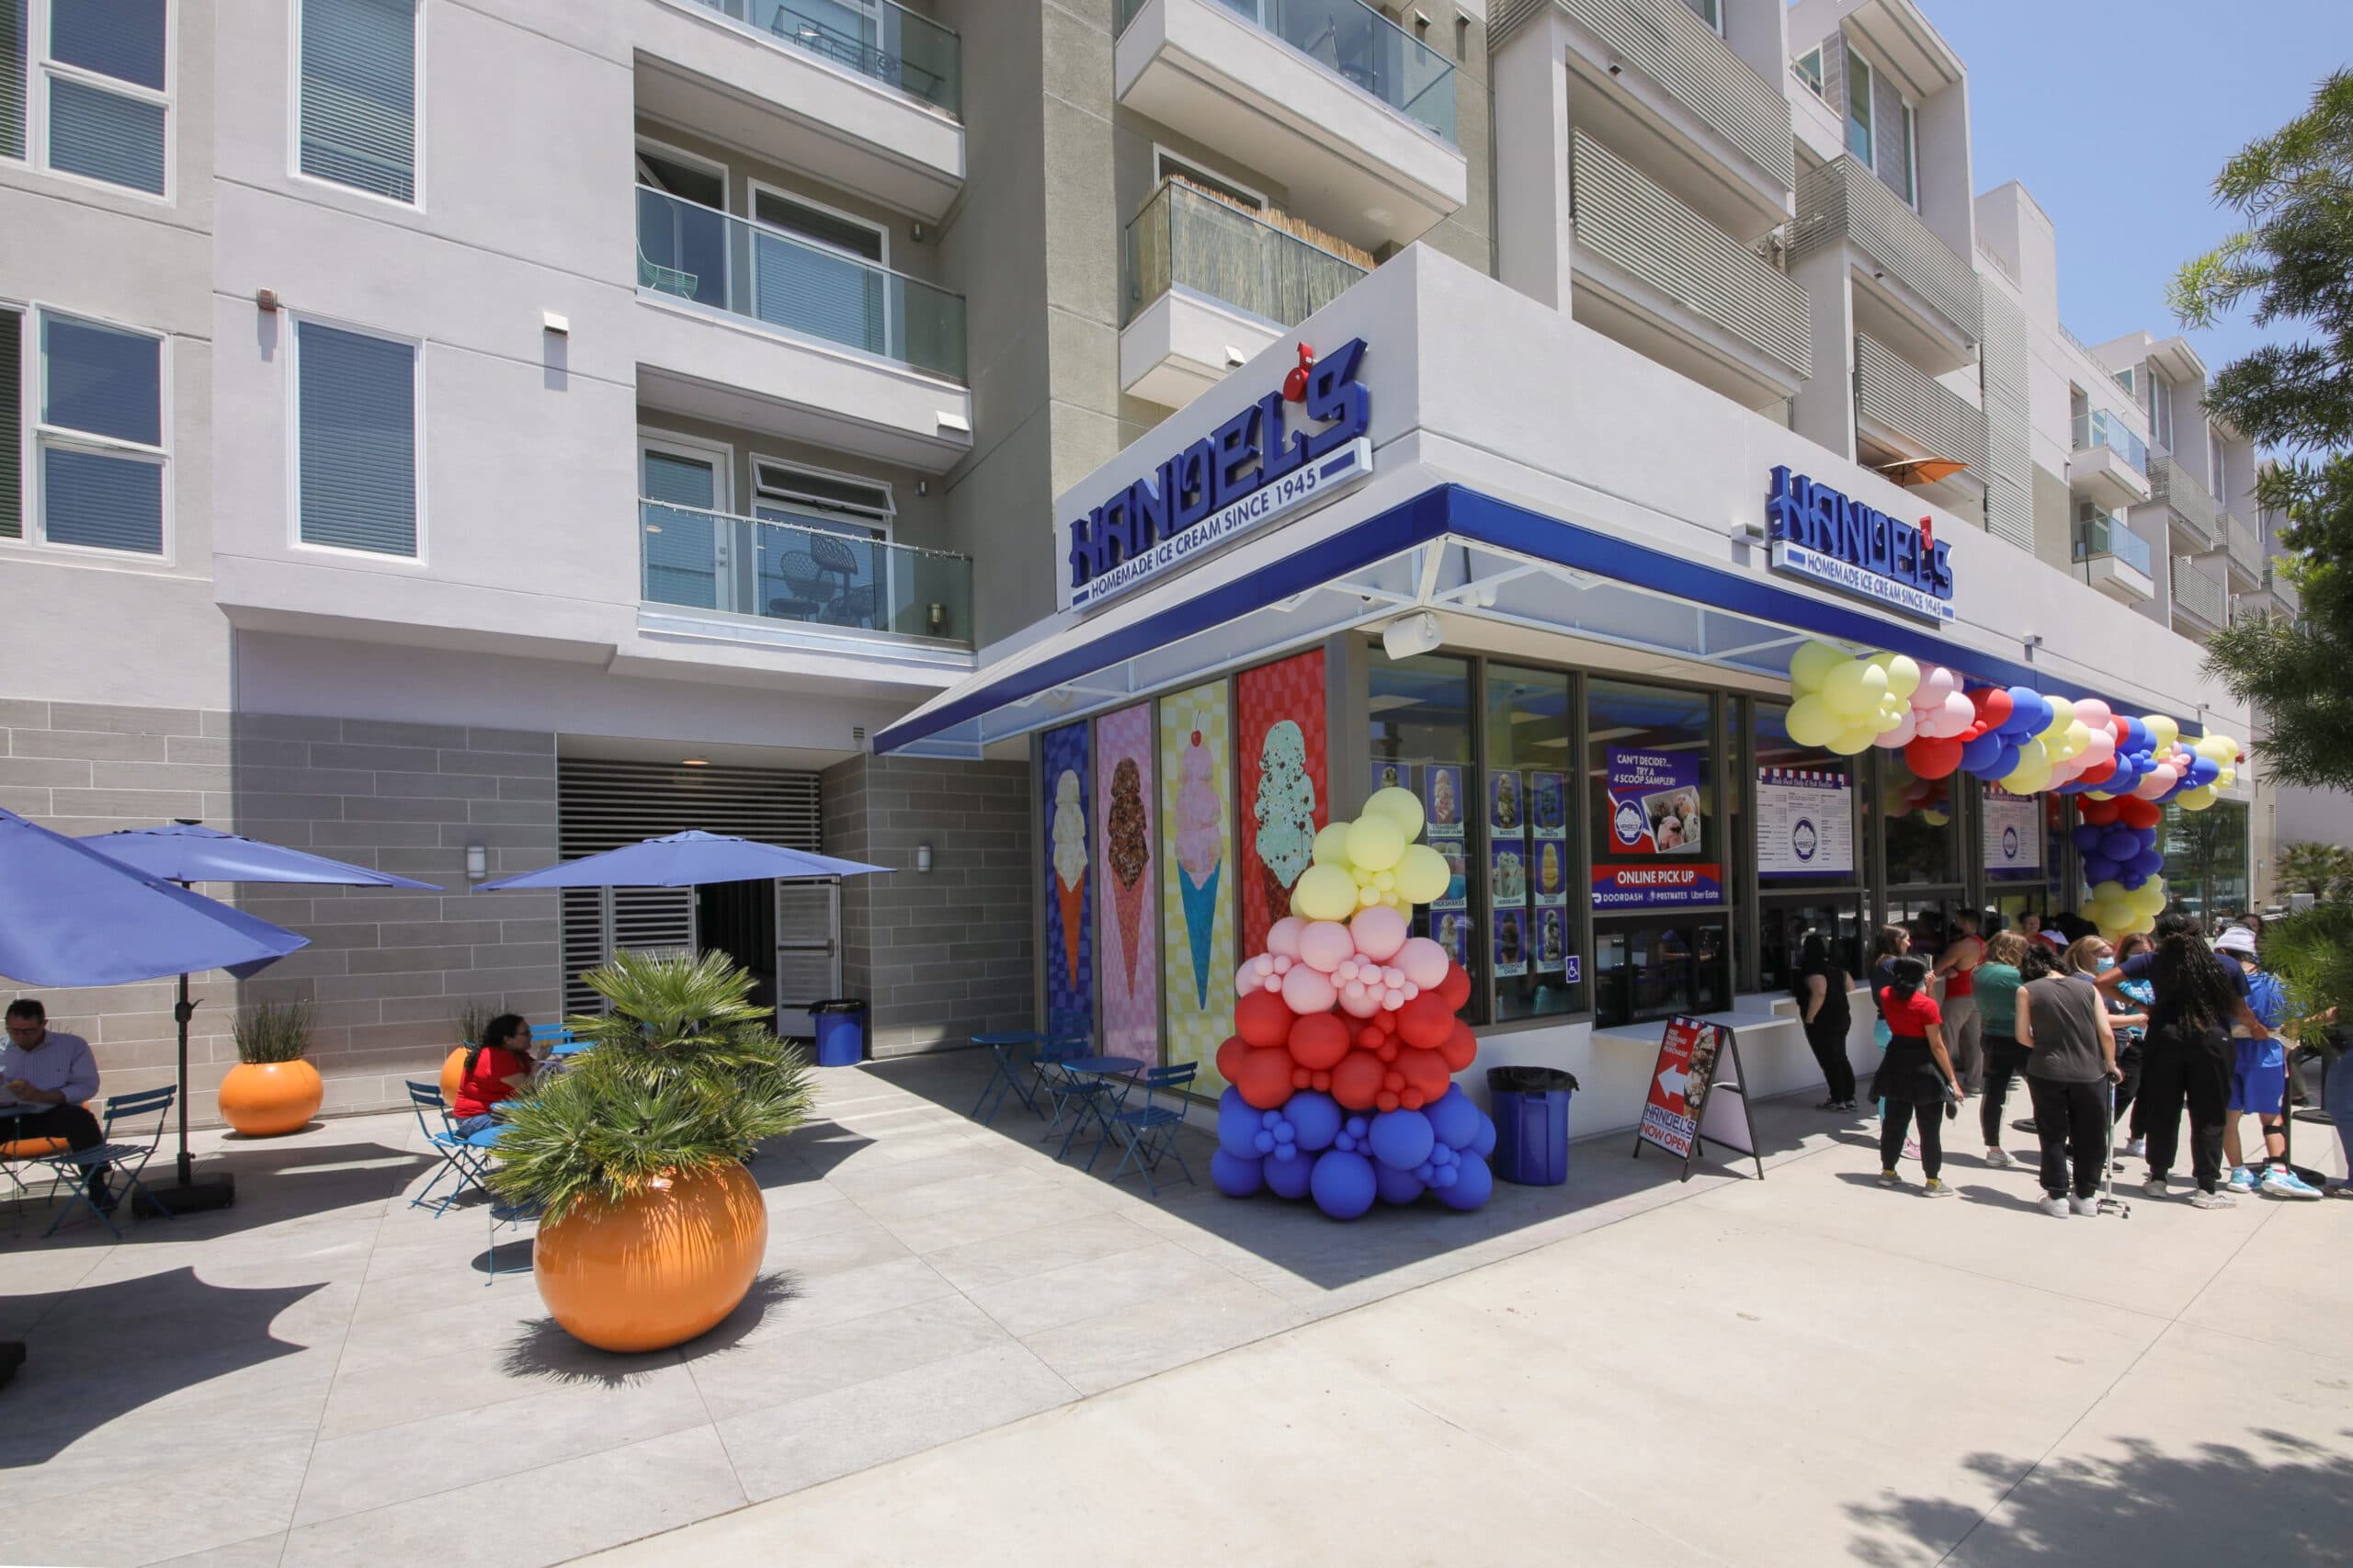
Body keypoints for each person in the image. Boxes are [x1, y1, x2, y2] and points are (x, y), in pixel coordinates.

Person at [2097, 915, 2272, 1208]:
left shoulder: (2153, 961)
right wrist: (2256, 1028)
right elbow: (2240, 1010)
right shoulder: (2225, 964)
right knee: (2209, 1114)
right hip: (2212, 1041)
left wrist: (2141, 1005)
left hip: (2165, 1038)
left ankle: (2158, 1178)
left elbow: (2102, 981)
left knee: (2163, 1110)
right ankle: (2206, 1186)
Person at [2015, 939, 2123, 1217]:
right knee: (2091, 1134)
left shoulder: (2027, 990)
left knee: (2052, 1133)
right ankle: (2086, 1194)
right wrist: (2111, 1063)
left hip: (2046, 1069)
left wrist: (2045, 1045)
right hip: (2090, 1071)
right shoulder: (2089, 988)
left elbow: (2022, 1036)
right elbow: (2106, 1032)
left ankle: (2057, 1194)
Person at [2213, 926, 2321, 1199]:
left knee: (2229, 1117)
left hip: (2228, 1053)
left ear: (2224, 952)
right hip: (2268, 1053)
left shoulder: (2218, 984)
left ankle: (2238, 1173)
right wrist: (2285, 1058)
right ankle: (2277, 1170)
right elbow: (2294, 1024)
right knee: (2271, 1115)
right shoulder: (2278, 985)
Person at [1, 999, 111, 1214]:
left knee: (80, 1119)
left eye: (28, 1031)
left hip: (50, 1112)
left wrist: (42, 1096)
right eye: (13, 1031)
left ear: (43, 1024)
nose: (20, 1037)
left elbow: (87, 1086)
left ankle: (97, 1185)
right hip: (6, 1115)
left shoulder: (71, 1046)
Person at [1874, 957, 1964, 1198]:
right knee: (1929, 1127)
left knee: (1894, 1122)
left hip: (1896, 1061)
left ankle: (1888, 1171)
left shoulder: (1886, 994)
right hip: (1924, 1067)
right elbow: (1937, 1045)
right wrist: (1952, 1080)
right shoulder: (1926, 1006)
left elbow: (1909, 1001)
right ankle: (1932, 1180)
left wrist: (1927, 989)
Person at [1971, 931, 2029, 1167]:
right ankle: (2052, 1151)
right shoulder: (2016, 975)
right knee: (2043, 1094)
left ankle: (1993, 1148)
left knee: (1993, 1093)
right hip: (2021, 1038)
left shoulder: (1978, 971)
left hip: (1991, 1035)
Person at [2104, 933, 2155, 1156]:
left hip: (2152, 1040)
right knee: (2126, 1090)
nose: (2143, 957)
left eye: (2147, 953)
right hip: (2129, 1039)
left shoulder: (2154, 977)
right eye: (2137, 953)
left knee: (2148, 1093)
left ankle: (2137, 1138)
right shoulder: (2119, 976)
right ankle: (2096, 1134)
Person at [1793, 930, 1856, 1112]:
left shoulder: (1813, 968)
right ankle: (1849, 1097)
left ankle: (1838, 1100)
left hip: (1823, 1020)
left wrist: (1810, 1018)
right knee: (1841, 1057)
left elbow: (1820, 992)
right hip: (1842, 1016)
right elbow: (1851, 987)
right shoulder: (1835, 966)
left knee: (1829, 1060)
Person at [451, 1014, 537, 1137]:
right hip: (475, 1119)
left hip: (499, 1112)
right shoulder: (497, 1057)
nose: (531, 1036)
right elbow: (527, 1089)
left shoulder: (518, 1054)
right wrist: (538, 1064)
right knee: (536, 1125)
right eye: (526, 1033)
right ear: (507, 1039)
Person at [1933, 911, 1988, 1093]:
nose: (1954, 923)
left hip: (1958, 998)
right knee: (1974, 1041)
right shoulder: (1982, 944)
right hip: (1977, 995)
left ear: (1965, 923)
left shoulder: (1961, 946)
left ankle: (1944, 1083)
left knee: (1945, 1040)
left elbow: (1936, 968)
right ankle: (1974, 1083)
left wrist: (1946, 970)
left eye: (1957, 920)